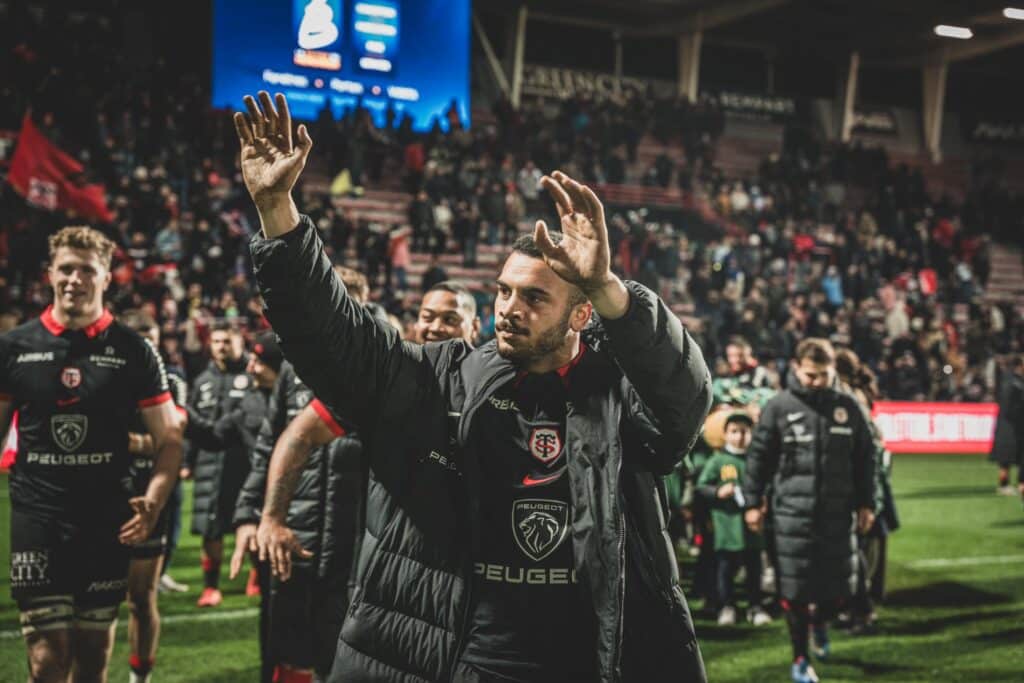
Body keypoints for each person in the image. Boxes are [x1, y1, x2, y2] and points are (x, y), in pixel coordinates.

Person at [235, 91, 712, 682]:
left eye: (535, 297)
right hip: (456, 654)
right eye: (503, 291)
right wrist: (278, 211)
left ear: (581, 315)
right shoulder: (440, 375)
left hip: (583, 657)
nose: (509, 309)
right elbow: (334, 338)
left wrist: (609, 288)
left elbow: (685, 403)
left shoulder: (616, 393)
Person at [0, 226, 184, 683]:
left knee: (92, 661)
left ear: (106, 279)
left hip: (107, 521)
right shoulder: (14, 349)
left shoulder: (134, 351)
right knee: (46, 658)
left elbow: (170, 441)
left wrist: (155, 500)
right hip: (38, 518)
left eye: (87, 270)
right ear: (49, 274)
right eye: (66, 268)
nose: (74, 279)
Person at [742, 338, 876, 683]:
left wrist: (867, 502)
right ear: (797, 369)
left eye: (821, 375)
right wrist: (753, 501)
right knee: (795, 591)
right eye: (809, 374)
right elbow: (758, 458)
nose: (814, 381)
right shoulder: (779, 407)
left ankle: (822, 622)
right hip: (790, 515)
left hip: (837, 515)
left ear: (832, 371)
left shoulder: (849, 407)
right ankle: (800, 659)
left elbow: (866, 459)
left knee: (838, 594)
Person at [121, 309, 189, 683]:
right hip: (100, 495)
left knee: (142, 598)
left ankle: (139, 678)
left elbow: (168, 441)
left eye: (155, 337)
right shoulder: (108, 374)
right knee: (90, 603)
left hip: (149, 495)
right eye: (143, 338)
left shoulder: (171, 381)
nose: (152, 346)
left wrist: (127, 441)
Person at [183, 321, 259, 607]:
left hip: (244, 463)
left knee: (249, 518)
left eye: (227, 341)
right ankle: (211, 587)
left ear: (240, 342)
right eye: (216, 342)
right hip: (208, 463)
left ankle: (256, 574)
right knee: (209, 526)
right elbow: (190, 426)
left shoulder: (253, 376)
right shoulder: (203, 380)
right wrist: (187, 460)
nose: (221, 347)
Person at [697, 410, 771, 627]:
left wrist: (764, 502)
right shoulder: (718, 461)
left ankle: (755, 606)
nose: (740, 436)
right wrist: (718, 492)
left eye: (745, 431)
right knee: (725, 569)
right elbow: (701, 488)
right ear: (725, 434)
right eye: (734, 431)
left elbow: (768, 485)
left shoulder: (756, 460)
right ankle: (726, 606)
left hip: (753, 527)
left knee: (754, 569)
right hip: (727, 525)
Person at [990, 355, 1024, 496]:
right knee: (1006, 457)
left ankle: (1010, 484)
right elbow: (1008, 403)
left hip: (1013, 424)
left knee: (1010, 456)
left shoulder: (1015, 380)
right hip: (1010, 425)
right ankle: (1005, 484)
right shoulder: (1012, 381)